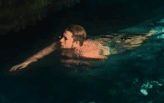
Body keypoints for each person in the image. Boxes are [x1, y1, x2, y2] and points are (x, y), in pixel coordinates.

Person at [9, 24, 153, 71]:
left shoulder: (89, 53)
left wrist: (77, 63)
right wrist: (29, 61)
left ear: (76, 43)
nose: (61, 40)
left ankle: (152, 33)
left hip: (113, 47)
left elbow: (104, 59)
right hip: (101, 40)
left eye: (65, 38)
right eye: (62, 36)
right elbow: (46, 50)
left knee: (140, 39)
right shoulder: (62, 44)